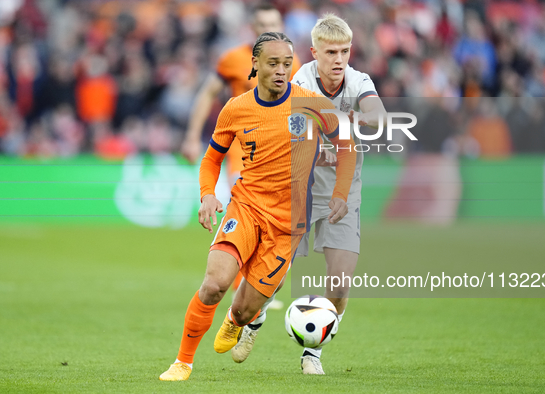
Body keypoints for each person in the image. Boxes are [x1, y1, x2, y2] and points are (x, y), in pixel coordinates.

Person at [159, 31, 357, 382]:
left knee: (244, 308)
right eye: (273, 64)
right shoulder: (235, 109)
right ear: (255, 65)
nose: (281, 71)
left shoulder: (311, 104)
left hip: (289, 224)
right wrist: (207, 194)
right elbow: (211, 159)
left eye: (287, 64)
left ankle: (236, 321)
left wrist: (340, 192)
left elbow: (347, 145)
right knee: (215, 283)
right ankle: (182, 363)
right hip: (246, 207)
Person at [230, 14, 386, 375]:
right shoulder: (299, 81)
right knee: (278, 271)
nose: (338, 60)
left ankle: (313, 351)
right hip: (298, 182)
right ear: (314, 53)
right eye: (331, 52)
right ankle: (253, 322)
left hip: (343, 185)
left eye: (345, 51)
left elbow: (377, 116)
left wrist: (350, 124)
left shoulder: (359, 81)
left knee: (341, 280)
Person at [182, 4, 302, 303]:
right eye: (262, 23)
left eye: (274, 23)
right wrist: (192, 136)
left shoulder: (293, 63)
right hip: (241, 147)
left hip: (277, 152)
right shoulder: (233, 59)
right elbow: (208, 93)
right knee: (249, 207)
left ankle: (252, 283)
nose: (268, 28)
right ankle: (239, 283)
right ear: (252, 26)